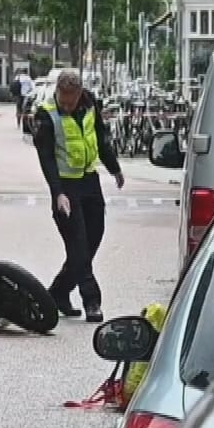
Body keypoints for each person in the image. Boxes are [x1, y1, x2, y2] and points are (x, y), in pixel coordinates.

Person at [33, 69, 124, 323]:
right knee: (78, 245)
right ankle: (92, 301)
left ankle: (58, 293)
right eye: (64, 100)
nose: (67, 105)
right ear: (58, 93)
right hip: (65, 187)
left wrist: (114, 168)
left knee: (93, 238)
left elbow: (101, 137)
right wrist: (58, 193)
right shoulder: (46, 114)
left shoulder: (90, 104)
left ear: (80, 94)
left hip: (89, 181)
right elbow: (46, 158)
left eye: (71, 101)